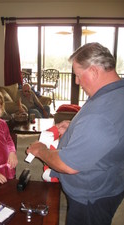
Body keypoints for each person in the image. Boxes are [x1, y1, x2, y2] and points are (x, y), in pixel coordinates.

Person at [26, 42, 124, 225]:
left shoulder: (100, 117)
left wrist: (40, 150)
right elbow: (108, 133)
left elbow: (67, 164)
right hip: (108, 185)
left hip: (91, 200)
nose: (76, 81)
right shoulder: (116, 93)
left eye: (78, 75)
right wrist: (73, 127)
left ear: (94, 71)